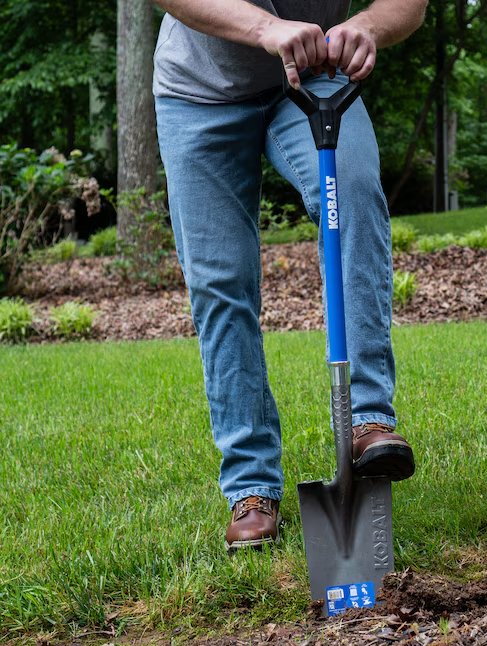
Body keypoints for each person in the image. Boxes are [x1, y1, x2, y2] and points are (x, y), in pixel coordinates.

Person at [153, 0, 427, 551]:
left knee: (350, 199)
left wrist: (365, 27)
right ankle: (251, 486)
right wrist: (265, 28)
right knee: (220, 280)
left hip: (315, 81)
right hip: (198, 93)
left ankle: (367, 420)